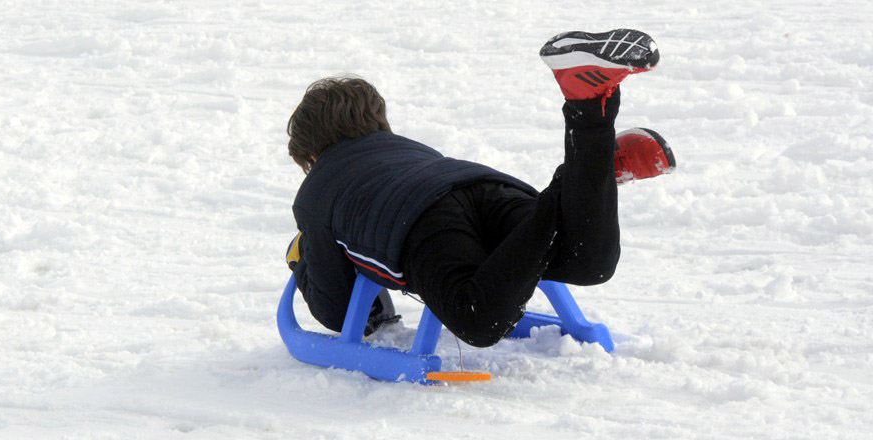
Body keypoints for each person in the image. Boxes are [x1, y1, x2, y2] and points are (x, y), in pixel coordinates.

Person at [285, 29, 676, 347]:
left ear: (310, 152)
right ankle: (591, 135)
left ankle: (591, 169)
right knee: (587, 260)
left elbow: (337, 305)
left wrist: (299, 261)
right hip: (486, 187)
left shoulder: (316, 194)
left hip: (419, 222)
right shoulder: (405, 147)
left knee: (478, 320)